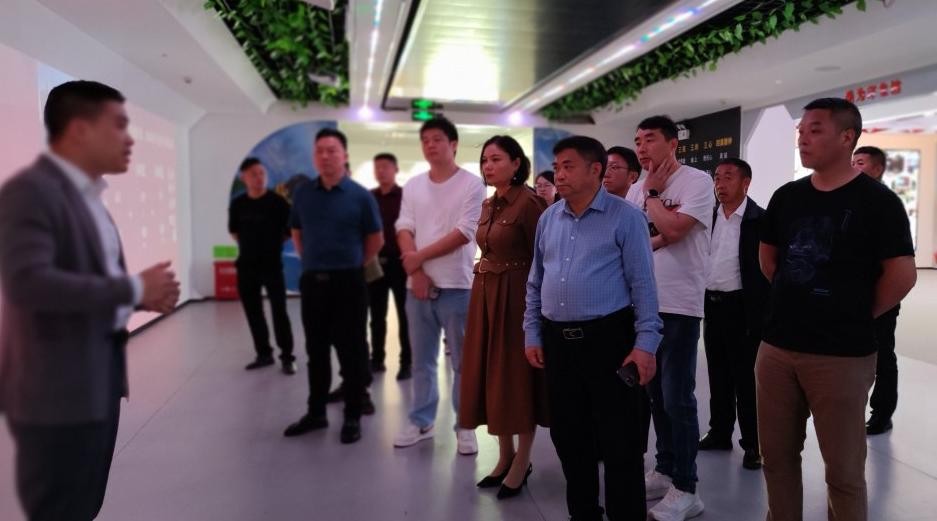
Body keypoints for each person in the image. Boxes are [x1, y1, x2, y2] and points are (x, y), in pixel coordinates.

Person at [0, 80, 180, 521]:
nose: (130, 139)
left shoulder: (90, 201)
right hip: (56, 391)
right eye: (118, 125)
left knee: (84, 503)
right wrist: (134, 289)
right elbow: (29, 285)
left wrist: (139, 300)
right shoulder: (32, 194)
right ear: (80, 131)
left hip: (99, 381)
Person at [758, 98, 916, 521]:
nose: (803, 138)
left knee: (844, 473)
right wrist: (796, 301)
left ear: (847, 137)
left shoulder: (878, 202)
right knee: (776, 459)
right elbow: (769, 258)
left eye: (815, 130)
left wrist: (855, 312)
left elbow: (901, 274)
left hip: (842, 354)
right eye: (801, 131)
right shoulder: (787, 196)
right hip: (777, 347)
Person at [524, 135, 662, 521]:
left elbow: (644, 286)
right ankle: (583, 513)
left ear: (595, 170)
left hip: (609, 340)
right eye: (557, 166)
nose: (559, 174)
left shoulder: (625, 217)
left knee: (620, 441)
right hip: (558, 343)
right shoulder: (549, 218)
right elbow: (535, 282)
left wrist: (646, 344)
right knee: (569, 437)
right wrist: (532, 332)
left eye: (568, 166)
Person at [626, 115, 713, 520]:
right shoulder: (635, 189)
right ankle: (664, 469)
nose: (641, 148)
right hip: (643, 305)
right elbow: (633, 240)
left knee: (678, 396)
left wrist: (654, 195)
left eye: (649, 140)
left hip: (679, 304)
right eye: (637, 141)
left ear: (673, 143)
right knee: (654, 394)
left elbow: (675, 230)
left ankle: (687, 486)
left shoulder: (696, 182)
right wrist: (657, 227)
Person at [459, 135, 548, 499]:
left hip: (517, 299)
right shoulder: (488, 203)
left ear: (516, 164)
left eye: (496, 159)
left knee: (515, 378)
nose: (488, 166)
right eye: (484, 160)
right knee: (491, 375)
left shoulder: (530, 203)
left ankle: (522, 460)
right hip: (485, 295)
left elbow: (544, 258)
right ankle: (505, 455)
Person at [282, 128, 384, 444]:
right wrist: (313, 261)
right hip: (313, 283)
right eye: (320, 151)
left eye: (332, 150)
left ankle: (352, 415)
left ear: (344, 155)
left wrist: (352, 264)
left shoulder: (360, 196)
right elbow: (297, 232)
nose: (325, 156)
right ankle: (316, 413)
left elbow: (375, 239)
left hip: (349, 283)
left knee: (351, 351)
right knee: (316, 351)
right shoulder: (303, 194)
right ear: (314, 156)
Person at [392, 117, 486, 455]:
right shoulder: (414, 185)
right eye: (425, 140)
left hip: (457, 286)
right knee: (422, 360)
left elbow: (465, 232)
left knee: (462, 362)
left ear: (453, 144)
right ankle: (422, 420)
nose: (430, 145)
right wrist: (416, 271)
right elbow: (404, 226)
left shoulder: (472, 184)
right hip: (416, 288)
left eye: (437, 139)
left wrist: (417, 258)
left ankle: (466, 424)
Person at [699, 158, 769, 470]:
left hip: (744, 308)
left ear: (746, 183)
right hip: (713, 305)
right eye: (717, 177)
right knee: (718, 373)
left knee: (747, 378)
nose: (720, 184)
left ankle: (753, 443)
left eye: (728, 177)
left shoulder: (760, 220)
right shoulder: (708, 217)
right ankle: (719, 432)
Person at [228, 157, 295, 374]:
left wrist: (271, 244)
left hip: (272, 265)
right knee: (253, 312)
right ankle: (264, 354)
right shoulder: (238, 204)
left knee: (279, 311)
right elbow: (234, 232)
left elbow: (289, 232)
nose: (259, 178)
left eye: (262, 173)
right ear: (244, 177)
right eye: (254, 174)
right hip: (246, 266)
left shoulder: (278, 203)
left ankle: (287, 357)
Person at [852, 145, 901, 435]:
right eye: (853, 161)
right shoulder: (848, 199)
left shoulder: (886, 204)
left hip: (880, 296)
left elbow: (899, 265)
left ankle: (882, 413)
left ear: (878, 168)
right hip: (849, 296)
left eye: (860, 162)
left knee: (882, 355)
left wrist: (880, 302)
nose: (853, 166)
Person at [367, 153, 412, 381]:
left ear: (396, 169)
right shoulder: (368, 198)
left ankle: (407, 363)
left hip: (400, 263)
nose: (381, 171)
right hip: (374, 263)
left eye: (385, 166)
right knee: (376, 316)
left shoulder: (405, 197)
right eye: (377, 167)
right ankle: (377, 360)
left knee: (405, 316)